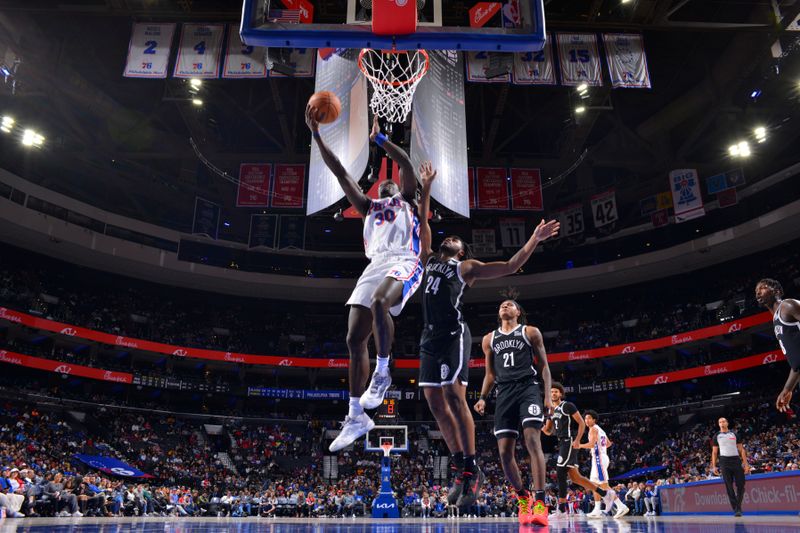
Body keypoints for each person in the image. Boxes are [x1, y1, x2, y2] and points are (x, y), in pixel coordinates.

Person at [415, 163, 559, 512]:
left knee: (453, 394)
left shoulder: (465, 268)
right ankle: (463, 468)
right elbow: (423, 225)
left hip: (453, 334)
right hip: (429, 338)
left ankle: (472, 466)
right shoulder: (428, 258)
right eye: (447, 237)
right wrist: (426, 187)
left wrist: (533, 240)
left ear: (462, 251)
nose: (450, 238)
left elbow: (510, 266)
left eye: (456, 240)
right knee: (434, 404)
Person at [307, 108, 424, 452]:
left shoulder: (407, 199)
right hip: (374, 266)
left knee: (379, 303)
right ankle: (356, 415)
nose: (388, 184)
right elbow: (341, 172)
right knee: (354, 337)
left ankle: (384, 370)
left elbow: (405, 165)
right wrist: (316, 135)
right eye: (383, 183)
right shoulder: (368, 206)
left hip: (406, 258)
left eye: (391, 183)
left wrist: (381, 140)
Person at [473, 300, 552, 526]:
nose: (505, 305)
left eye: (510, 304)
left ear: (518, 312)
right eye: (502, 305)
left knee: (532, 440)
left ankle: (540, 501)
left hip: (528, 388)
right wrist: (482, 397)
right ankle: (522, 497)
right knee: (505, 453)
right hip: (504, 392)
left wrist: (547, 396)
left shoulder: (530, 332)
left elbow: (544, 367)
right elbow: (490, 374)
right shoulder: (489, 339)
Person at [542, 382, 609, 519]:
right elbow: (548, 431)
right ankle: (605, 494)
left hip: (569, 441)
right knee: (575, 478)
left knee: (560, 471)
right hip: (561, 443)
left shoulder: (567, 405)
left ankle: (561, 510)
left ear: (561, 394)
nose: (553, 394)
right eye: (551, 392)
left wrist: (578, 439)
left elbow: (581, 422)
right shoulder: (550, 411)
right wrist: (539, 426)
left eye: (556, 391)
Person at [755, 279, 800, 412]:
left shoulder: (787, 305)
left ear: (777, 291)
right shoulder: (776, 321)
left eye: (762, 288)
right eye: (756, 291)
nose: (758, 292)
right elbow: (797, 364)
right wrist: (787, 389)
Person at [579, 410, 630, 518]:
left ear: (594, 420)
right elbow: (608, 443)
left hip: (599, 460)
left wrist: (580, 445)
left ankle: (621, 506)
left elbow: (592, 444)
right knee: (594, 485)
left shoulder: (593, 429)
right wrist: (598, 448)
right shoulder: (600, 429)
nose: (587, 420)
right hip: (600, 458)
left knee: (604, 485)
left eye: (589, 418)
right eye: (585, 418)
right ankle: (597, 509)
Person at [711, 417, 750, 517]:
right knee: (729, 486)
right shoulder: (716, 436)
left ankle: (738, 506)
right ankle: (737, 509)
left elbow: (741, 450)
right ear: (718, 424)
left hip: (736, 460)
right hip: (724, 461)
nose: (722, 423)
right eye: (720, 422)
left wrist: (746, 464)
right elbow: (714, 452)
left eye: (723, 421)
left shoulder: (735, 434)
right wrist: (714, 466)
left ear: (727, 423)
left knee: (741, 485)